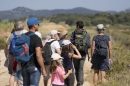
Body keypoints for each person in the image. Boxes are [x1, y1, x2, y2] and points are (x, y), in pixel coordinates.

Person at [21, 17, 47, 86]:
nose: (38, 25)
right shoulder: (36, 38)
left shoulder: (22, 37)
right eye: (38, 24)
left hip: (24, 65)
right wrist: (43, 69)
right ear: (34, 25)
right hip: (34, 66)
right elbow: (38, 55)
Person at [70, 21, 91, 86]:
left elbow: (70, 43)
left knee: (76, 69)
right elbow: (89, 45)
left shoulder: (73, 33)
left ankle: (78, 81)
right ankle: (80, 82)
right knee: (80, 68)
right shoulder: (86, 34)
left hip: (75, 53)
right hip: (83, 53)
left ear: (78, 26)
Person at [6, 21, 28, 86]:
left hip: (13, 56)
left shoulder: (12, 35)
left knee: (13, 74)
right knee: (23, 73)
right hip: (24, 56)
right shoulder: (26, 33)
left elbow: (8, 47)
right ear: (23, 26)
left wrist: (8, 56)